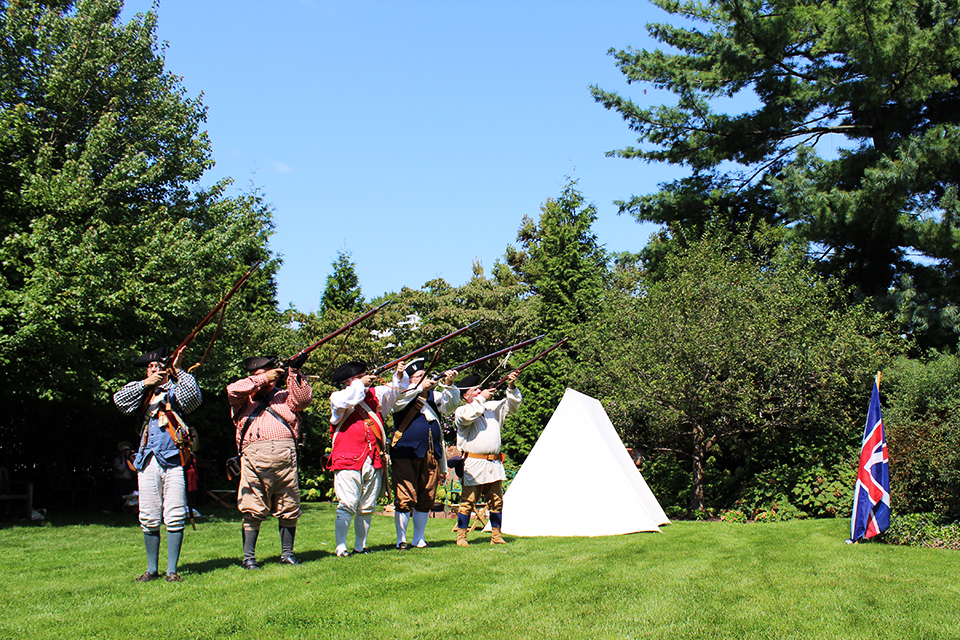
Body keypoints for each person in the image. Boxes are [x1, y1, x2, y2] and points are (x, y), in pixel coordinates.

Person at [113, 346, 202, 583]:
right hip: (147, 460)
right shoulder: (142, 393)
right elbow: (119, 401)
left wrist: (179, 369)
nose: (155, 369)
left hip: (174, 459)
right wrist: (146, 383)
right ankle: (152, 570)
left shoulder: (176, 389)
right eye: (151, 367)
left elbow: (194, 399)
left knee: (174, 514)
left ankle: (172, 571)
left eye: (159, 366)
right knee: (149, 514)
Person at [227, 353, 312, 569]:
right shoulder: (242, 400)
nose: (266, 379)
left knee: (289, 506)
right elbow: (232, 389)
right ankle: (249, 558)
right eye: (258, 375)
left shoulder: (286, 396)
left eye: (269, 375)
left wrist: (294, 371)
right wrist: (264, 378)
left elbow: (304, 400)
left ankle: (287, 554)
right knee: (251, 507)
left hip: (286, 460)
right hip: (254, 460)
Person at [328, 359, 408, 557]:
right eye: (360, 376)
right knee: (347, 503)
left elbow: (395, 394)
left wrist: (398, 375)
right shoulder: (339, 396)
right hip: (348, 457)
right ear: (350, 380)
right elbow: (346, 401)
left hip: (373, 457)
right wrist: (359, 384)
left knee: (367, 506)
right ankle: (340, 547)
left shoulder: (374, 394)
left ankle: (360, 545)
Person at [389, 358, 459, 549]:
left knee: (426, 496)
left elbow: (451, 405)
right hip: (406, 451)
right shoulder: (402, 393)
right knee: (405, 495)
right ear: (411, 380)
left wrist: (449, 384)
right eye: (420, 376)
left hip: (430, 452)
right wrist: (419, 388)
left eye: (425, 376)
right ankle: (401, 539)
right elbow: (398, 402)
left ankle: (418, 538)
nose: (426, 379)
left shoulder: (433, 396)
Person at [453, 371, 520, 547]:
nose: (479, 392)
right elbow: (469, 416)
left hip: (494, 463)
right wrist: (481, 399)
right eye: (475, 390)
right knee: (468, 501)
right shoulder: (462, 410)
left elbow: (512, 406)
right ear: (466, 395)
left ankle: (496, 536)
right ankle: (461, 537)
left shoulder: (490, 407)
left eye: (479, 389)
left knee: (497, 501)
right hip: (474, 463)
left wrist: (511, 386)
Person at [111, 441, 137, 512]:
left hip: (129, 481)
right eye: (124, 450)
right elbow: (121, 469)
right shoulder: (117, 460)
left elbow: (134, 471)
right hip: (120, 481)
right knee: (120, 497)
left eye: (127, 450)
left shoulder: (129, 461)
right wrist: (123, 460)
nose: (126, 452)